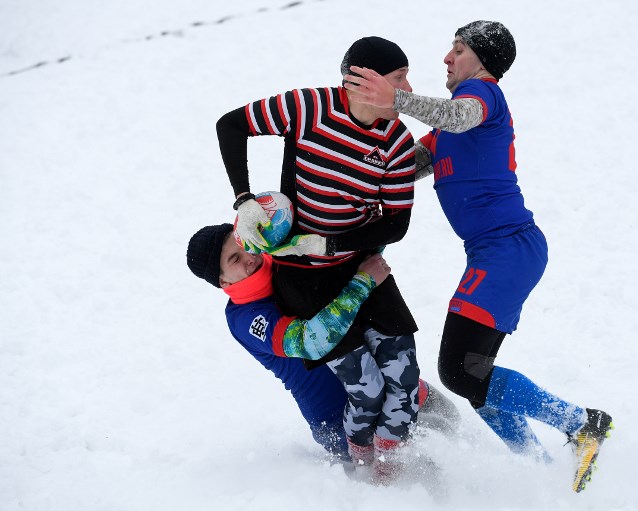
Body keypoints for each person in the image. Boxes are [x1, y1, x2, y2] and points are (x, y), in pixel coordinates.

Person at [343, 20, 613, 492]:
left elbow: (459, 115)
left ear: (483, 61)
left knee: (459, 371)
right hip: (495, 253)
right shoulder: (444, 133)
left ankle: (582, 423)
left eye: (459, 49)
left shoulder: (482, 95)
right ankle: (537, 465)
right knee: (473, 374)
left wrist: (397, 99)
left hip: (508, 249)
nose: (447, 59)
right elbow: (402, 169)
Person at [214, 37, 421, 482]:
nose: (407, 89)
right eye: (400, 78)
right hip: (303, 282)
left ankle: (391, 474)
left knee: (404, 380)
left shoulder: (398, 142)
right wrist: (244, 199)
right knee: (367, 391)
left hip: (361, 267)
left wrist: (331, 244)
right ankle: (364, 477)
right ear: (363, 80)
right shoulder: (308, 107)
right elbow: (229, 125)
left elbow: (396, 224)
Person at [186, 223, 460, 470]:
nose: (249, 256)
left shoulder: (282, 257)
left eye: (243, 245)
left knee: (451, 418)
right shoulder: (246, 318)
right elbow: (311, 342)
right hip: (342, 424)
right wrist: (363, 283)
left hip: (385, 382)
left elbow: (343, 251)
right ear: (223, 281)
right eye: (235, 259)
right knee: (425, 468)